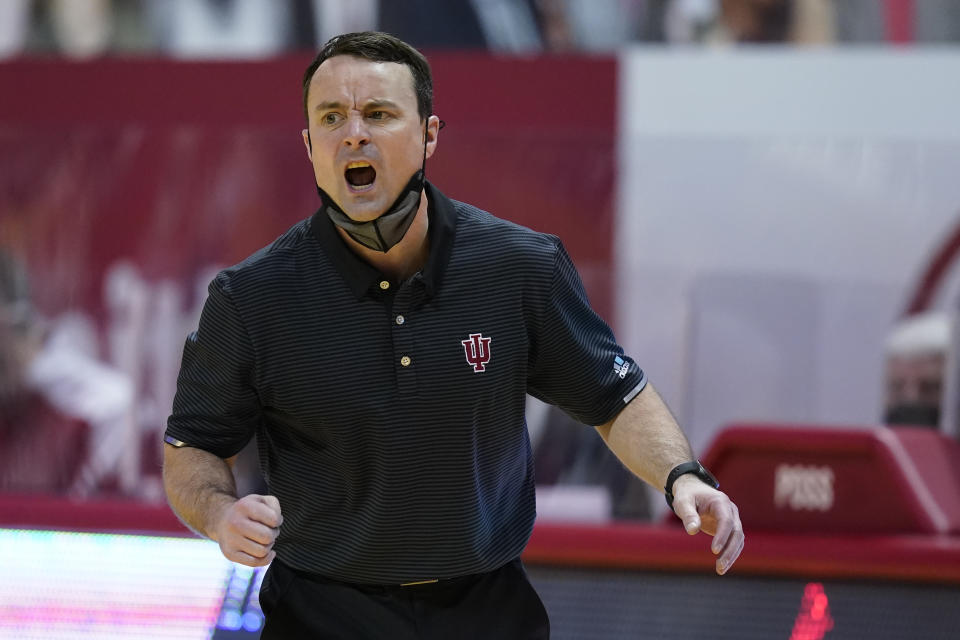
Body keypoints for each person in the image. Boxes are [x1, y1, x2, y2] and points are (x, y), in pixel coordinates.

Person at [162, 31, 744, 639]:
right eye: (331, 117)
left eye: (379, 114)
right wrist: (221, 515)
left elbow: (615, 398)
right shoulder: (251, 297)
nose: (353, 133)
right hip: (320, 613)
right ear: (310, 146)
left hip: (488, 610)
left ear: (429, 135)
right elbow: (192, 447)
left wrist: (684, 476)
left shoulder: (520, 266)